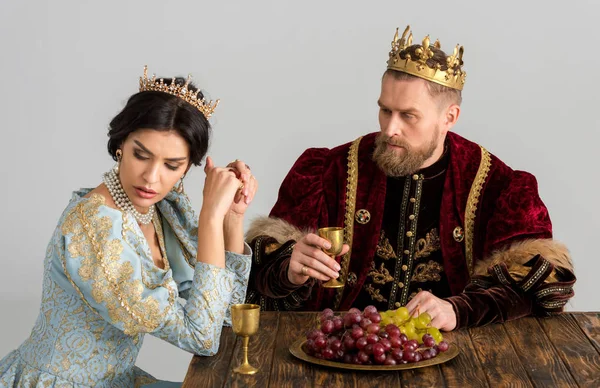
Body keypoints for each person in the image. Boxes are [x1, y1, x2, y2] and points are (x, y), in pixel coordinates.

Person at [245, 26, 575, 331]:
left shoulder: (499, 186)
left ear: (450, 117)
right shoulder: (328, 170)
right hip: (340, 351)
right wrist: (288, 270)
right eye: (385, 110)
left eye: (408, 115)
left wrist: (457, 310)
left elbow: (538, 288)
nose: (390, 129)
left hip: (460, 357)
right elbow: (256, 273)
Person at [0, 66, 258, 387]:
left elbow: (222, 316)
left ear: (186, 169)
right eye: (141, 155)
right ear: (121, 145)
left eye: (171, 165)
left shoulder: (161, 209)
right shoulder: (92, 227)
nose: (151, 177)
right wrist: (210, 217)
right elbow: (201, 338)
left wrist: (231, 219)